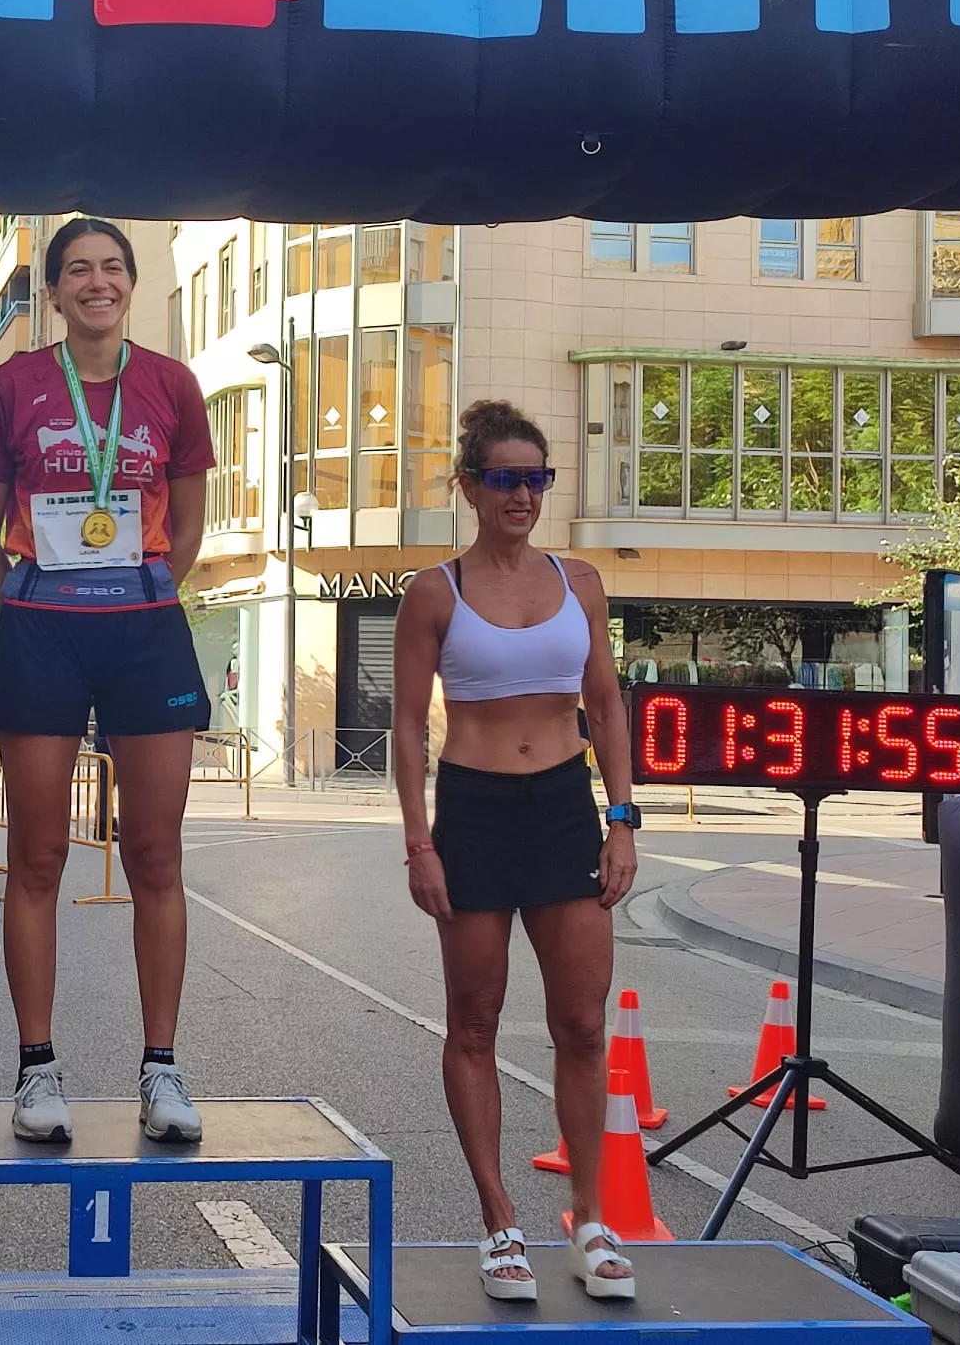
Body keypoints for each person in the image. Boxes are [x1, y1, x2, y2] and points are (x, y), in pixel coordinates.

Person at [0, 217, 214, 1146]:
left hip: (145, 631)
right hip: (45, 634)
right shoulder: (13, 386)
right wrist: (23, 602)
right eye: (78, 270)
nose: (96, 282)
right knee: (38, 856)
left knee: (156, 855)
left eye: (111, 268)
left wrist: (147, 586)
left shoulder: (171, 385)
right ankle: (37, 1072)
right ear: (56, 291)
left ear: (130, 284)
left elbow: (187, 519)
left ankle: (163, 1070)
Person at [391, 400, 640, 1303]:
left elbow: (607, 708)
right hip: (477, 811)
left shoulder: (580, 582)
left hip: (566, 814)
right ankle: (500, 1224)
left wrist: (623, 818)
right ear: (470, 487)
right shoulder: (435, 591)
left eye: (537, 478)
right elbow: (409, 730)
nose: (523, 494)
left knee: (581, 1025)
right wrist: (420, 844)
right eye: (505, 478)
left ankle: (593, 1220)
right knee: (475, 1025)